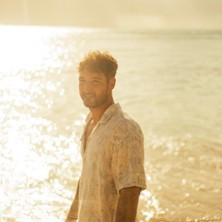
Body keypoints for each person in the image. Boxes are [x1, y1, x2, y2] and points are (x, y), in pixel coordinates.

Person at [66, 51, 146, 222]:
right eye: (82, 81)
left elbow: (130, 192)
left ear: (112, 83)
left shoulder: (124, 129)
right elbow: (86, 181)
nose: (86, 89)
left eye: (95, 81)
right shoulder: (90, 122)